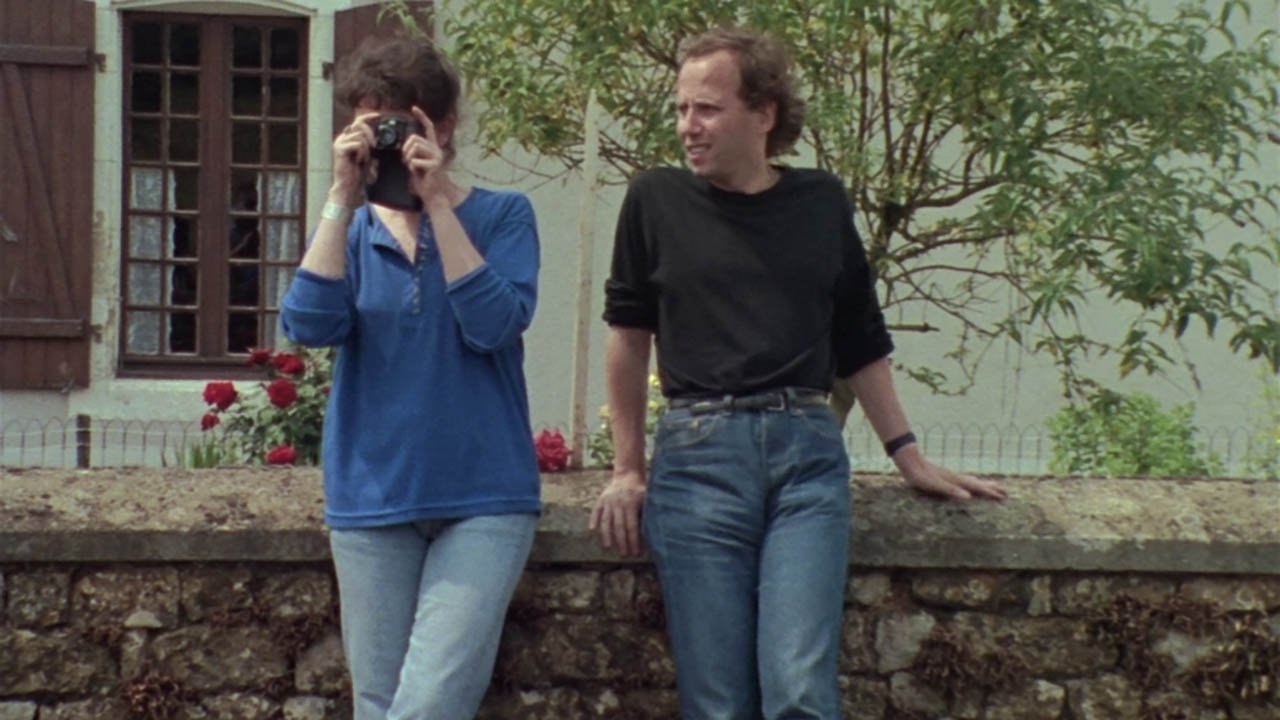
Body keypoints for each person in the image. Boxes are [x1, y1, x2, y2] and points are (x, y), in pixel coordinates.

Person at [589, 26, 1006, 719]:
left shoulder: (819, 201)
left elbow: (859, 337)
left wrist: (908, 455)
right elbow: (628, 337)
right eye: (681, 109)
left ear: (764, 112)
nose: (687, 127)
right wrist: (627, 468)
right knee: (717, 702)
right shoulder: (654, 200)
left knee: (798, 692)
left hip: (806, 459)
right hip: (698, 459)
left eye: (706, 109)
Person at [280, 35, 541, 720]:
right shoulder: (354, 231)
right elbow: (308, 325)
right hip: (371, 499)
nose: (388, 142)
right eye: (373, 125)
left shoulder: (502, 215)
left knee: (428, 705)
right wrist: (342, 193)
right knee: (379, 704)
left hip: (483, 496)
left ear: (442, 125)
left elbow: (492, 325)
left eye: (400, 123)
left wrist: (438, 206)